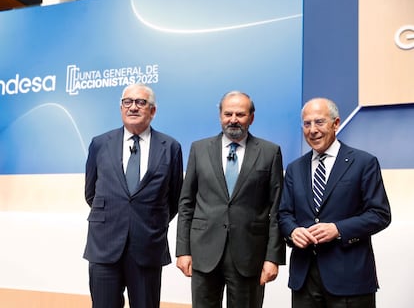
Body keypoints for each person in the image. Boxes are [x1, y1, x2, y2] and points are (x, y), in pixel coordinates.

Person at [176, 91, 286, 308]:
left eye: (240, 114)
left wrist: (273, 257)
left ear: (251, 117)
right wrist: (183, 250)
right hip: (204, 252)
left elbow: (277, 209)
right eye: (228, 114)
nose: (233, 119)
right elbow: (186, 203)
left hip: (249, 255)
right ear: (220, 116)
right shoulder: (199, 149)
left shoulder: (269, 152)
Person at [278, 97, 391, 308]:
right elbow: (284, 214)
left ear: (336, 123)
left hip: (350, 279)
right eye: (307, 123)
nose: (312, 130)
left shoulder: (364, 162)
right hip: (304, 280)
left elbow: (379, 214)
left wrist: (337, 229)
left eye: (319, 122)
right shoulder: (294, 168)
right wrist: (293, 232)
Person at [83, 83, 183, 308]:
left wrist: (147, 220)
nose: (133, 107)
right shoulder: (100, 144)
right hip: (104, 246)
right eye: (127, 102)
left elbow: (174, 198)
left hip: (147, 245)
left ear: (153, 111)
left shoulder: (171, 147)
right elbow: (91, 193)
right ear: (121, 108)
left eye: (140, 102)